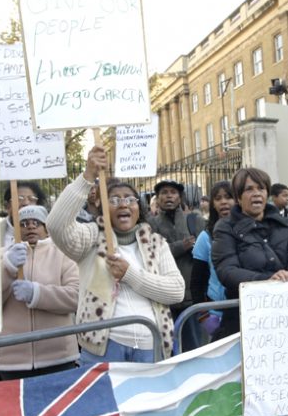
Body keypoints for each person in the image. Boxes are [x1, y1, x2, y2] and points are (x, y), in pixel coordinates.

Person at [47, 146, 185, 363]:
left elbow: (176, 292)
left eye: (130, 199)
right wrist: (87, 177)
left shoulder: (157, 243)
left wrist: (130, 274)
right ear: (102, 206)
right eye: (114, 200)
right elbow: (56, 225)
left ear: (138, 208)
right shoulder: (91, 238)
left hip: (152, 348)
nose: (123, 204)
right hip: (104, 349)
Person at [212, 168, 288, 339]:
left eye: (261, 188)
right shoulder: (225, 227)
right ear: (238, 197)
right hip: (245, 318)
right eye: (249, 189)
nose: (256, 194)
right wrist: (267, 280)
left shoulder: (283, 224)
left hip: (287, 314)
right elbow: (226, 270)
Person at [0, 205, 80, 380]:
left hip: (58, 355)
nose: (30, 227)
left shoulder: (63, 254)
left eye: (36, 222)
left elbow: (76, 296)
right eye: (23, 224)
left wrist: (37, 294)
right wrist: (7, 268)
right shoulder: (0, 256)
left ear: (46, 229)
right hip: (11, 359)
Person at [148, 178, 206, 352]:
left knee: (195, 349)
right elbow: (152, 254)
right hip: (165, 298)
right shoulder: (151, 225)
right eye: (164, 193)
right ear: (157, 199)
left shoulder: (194, 220)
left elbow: (205, 251)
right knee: (168, 351)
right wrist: (182, 246)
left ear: (180, 198)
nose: (169, 197)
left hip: (192, 297)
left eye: (173, 193)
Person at [190, 181, 235, 337]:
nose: (223, 202)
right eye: (218, 198)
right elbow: (196, 283)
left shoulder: (250, 232)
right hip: (217, 314)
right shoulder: (205, 237)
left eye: (228, 197)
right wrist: (204, 317)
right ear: (213, 204)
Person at [0, 181, 47, 249]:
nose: (26, 203)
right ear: (7, 205)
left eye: (31, 199)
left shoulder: (50, 230)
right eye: (19, 199)